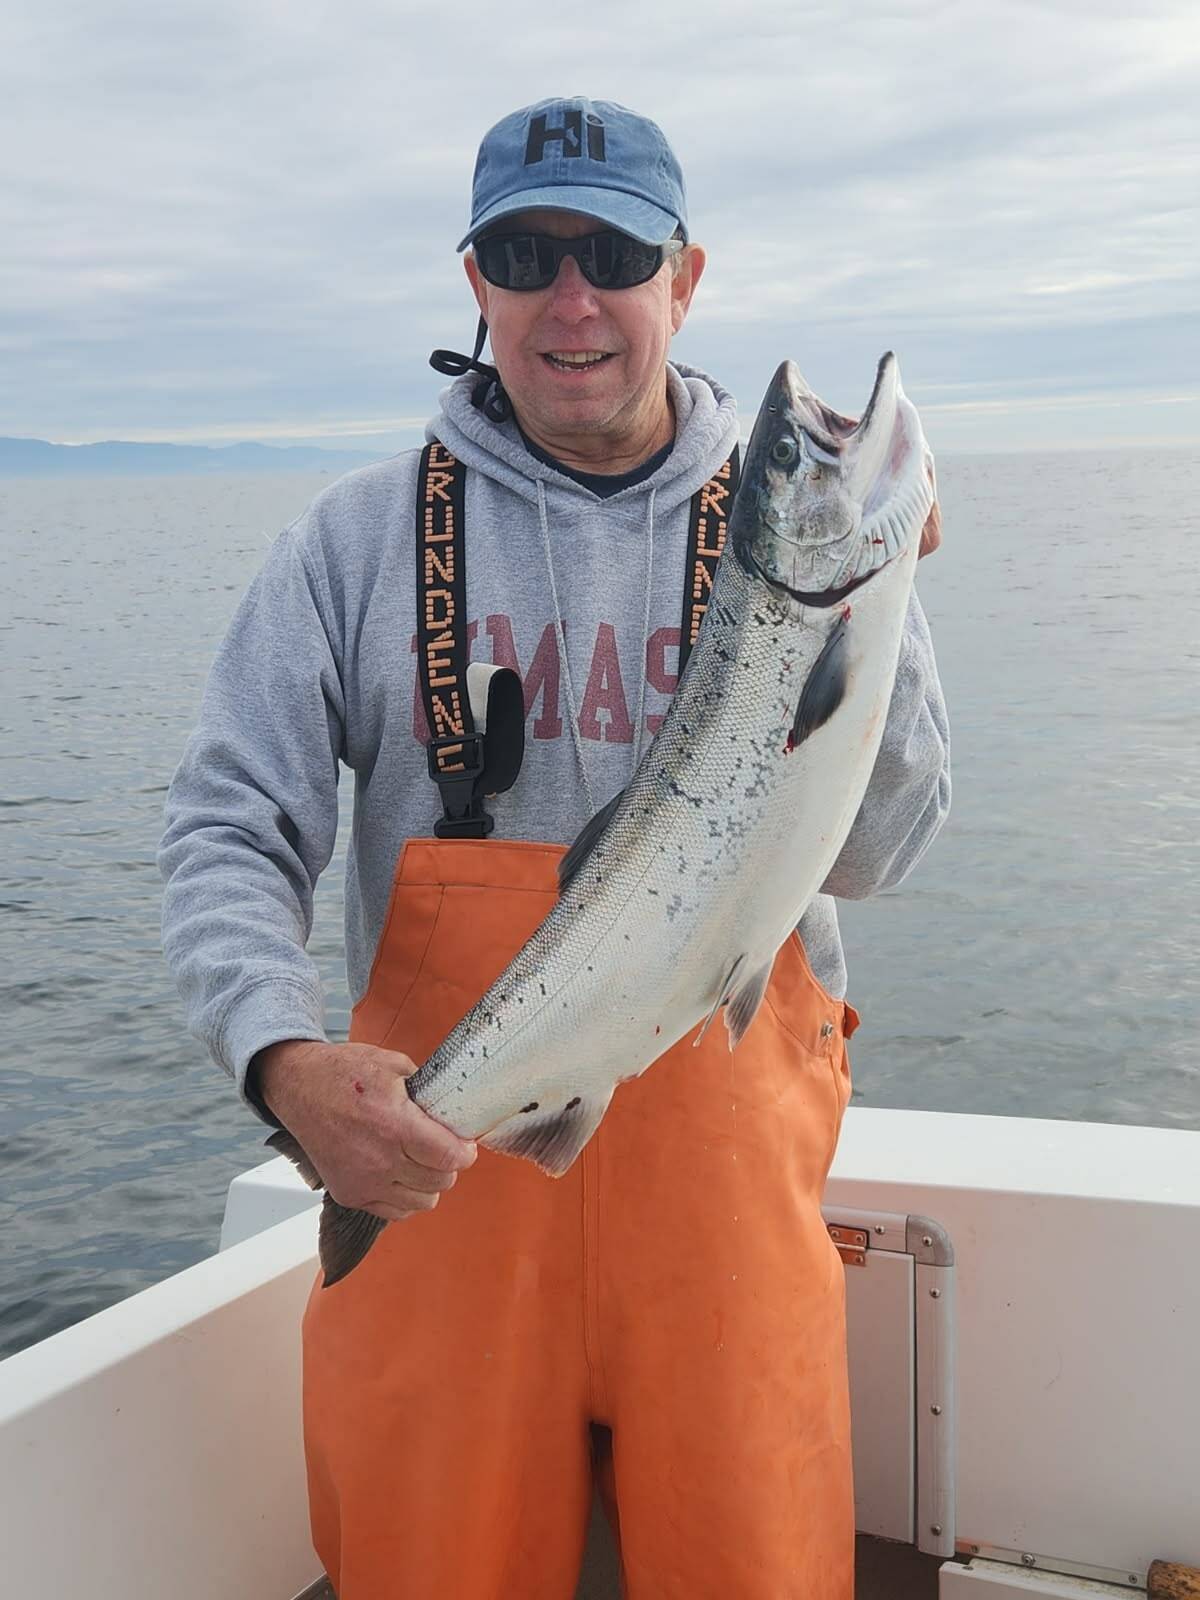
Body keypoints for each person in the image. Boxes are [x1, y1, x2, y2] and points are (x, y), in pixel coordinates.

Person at [159, 96, 950, 1600]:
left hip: (724, 1192)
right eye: (528, 253)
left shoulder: (799, 529)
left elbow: (884, 850)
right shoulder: (352, 541)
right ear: (477, 284)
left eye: (614, 250)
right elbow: (225, 823)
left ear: (685, 277)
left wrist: (882, 620)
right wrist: (278, 1057)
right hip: (433, 1179)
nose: (572, 297)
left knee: (754, 1566)